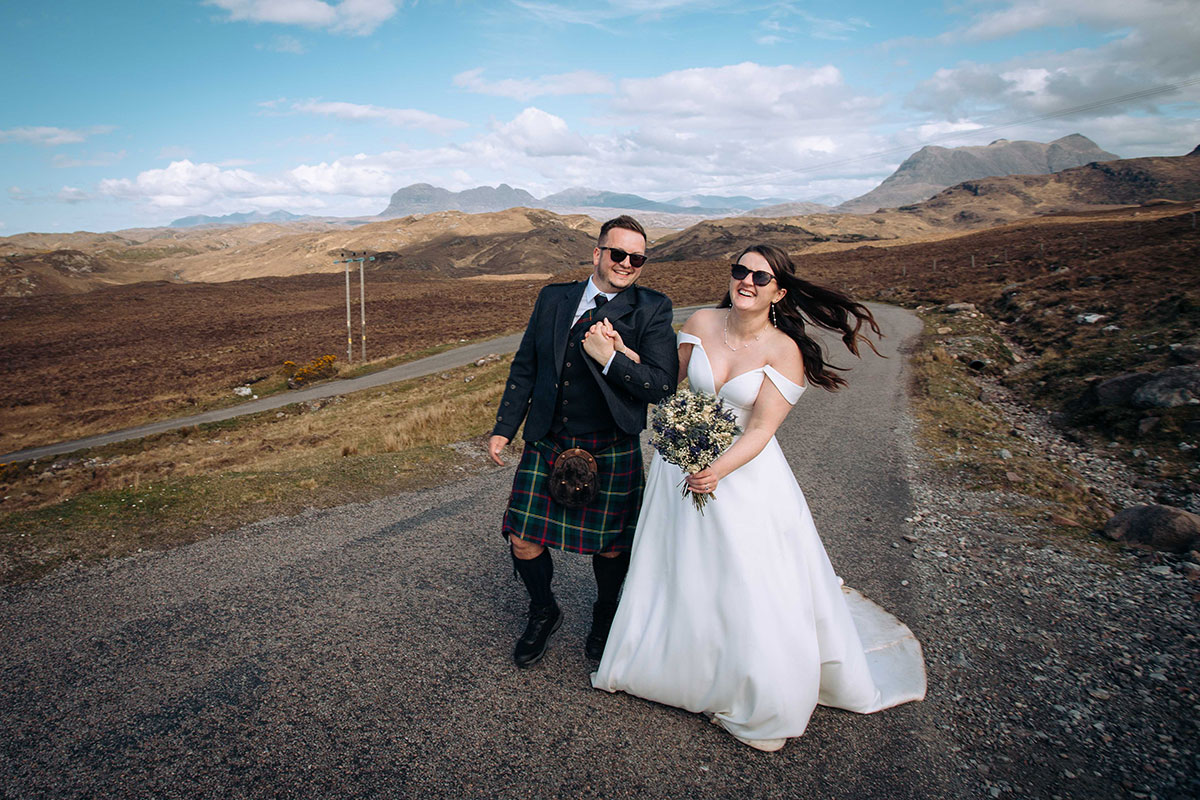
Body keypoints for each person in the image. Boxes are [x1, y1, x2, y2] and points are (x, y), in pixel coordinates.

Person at [591, 244, 926, 751]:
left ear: (779, 291)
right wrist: (620, 352)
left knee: (744, 577)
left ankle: (747, 682)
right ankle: (671, 663)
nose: (746, 281)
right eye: (740, 271)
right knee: (676, 565)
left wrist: (715, 471)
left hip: (742, 478)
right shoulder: (702, 322)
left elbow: (762, 430)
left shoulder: (783, 350)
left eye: (760, 277)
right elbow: (667, 388)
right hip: (678, 467)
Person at [489, 215, 679, 668]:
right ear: (597, 253)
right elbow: (526, 365)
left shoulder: (652, 309)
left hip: (611, 443)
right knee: (522, 537)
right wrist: (504, 426)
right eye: (618, 253)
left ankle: (606, 615)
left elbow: (661, 385)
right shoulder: (554, 298)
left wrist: (612, 358)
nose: (627, 264)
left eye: (637, 258)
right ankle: (543, 609)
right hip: (549, 440)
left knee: (612, 545)